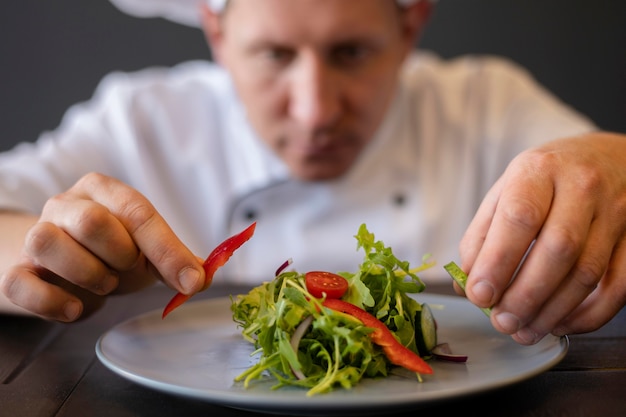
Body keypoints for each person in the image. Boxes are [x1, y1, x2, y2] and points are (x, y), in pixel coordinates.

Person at [0, 0, 624, 347]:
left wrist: (613, 162)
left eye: (351, 53)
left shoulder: (488, 102)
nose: (316, 109)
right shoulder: (141, 120)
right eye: (275, 55)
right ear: (217, 32)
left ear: (410, 27)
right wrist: (48, 257)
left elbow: (597, 174)